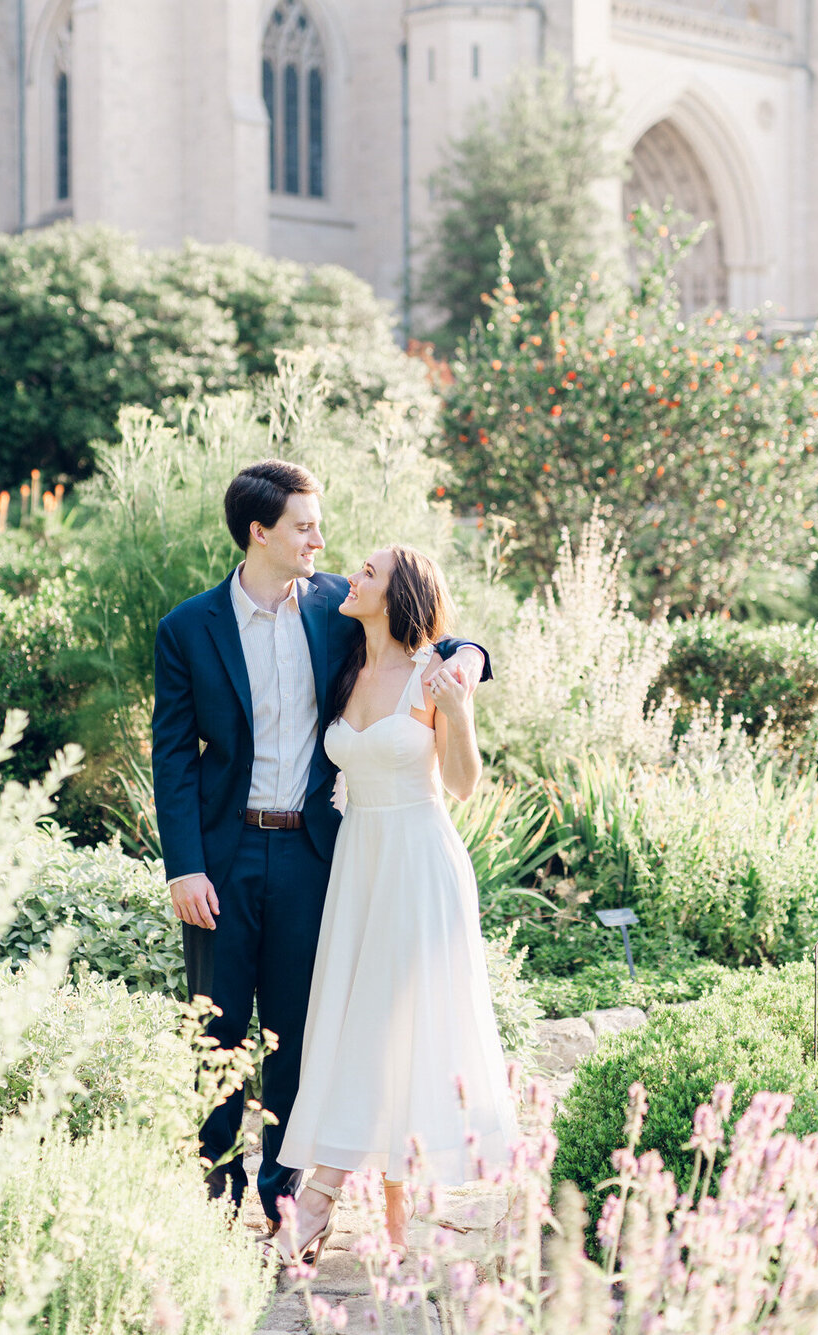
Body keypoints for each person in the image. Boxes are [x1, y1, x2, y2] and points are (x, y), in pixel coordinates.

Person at [151, 461, 491, 1234]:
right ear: (259, 532)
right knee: (217, 1026)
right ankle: (213, 1197)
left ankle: (284, 1195)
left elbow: (430, 626)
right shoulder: (186, 628)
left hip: (316, 854)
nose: (320, 538)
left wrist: (469, 658)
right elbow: (172, 752)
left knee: (303, 1029)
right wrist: (184, 864)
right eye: (305, 525)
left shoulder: (338, 602)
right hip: (222, 855)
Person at [273, 544, 518, 1268]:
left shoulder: (433, 673)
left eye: (371, 572)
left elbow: (464, 783)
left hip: (418, 858)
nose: (354, 575)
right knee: (366, 1018)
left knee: (390, 1020)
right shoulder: (345, 661)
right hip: (359, 861)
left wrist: (460, 706)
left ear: (400, 592)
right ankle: (392, 1219)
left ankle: (317, 1197)